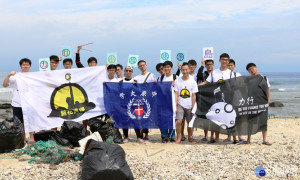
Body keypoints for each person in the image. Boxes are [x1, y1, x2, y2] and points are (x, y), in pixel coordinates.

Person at [199, 53, 237, 143]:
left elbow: (235, 86)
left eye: (226, 60)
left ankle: (234, 138)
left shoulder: (231, 73)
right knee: (216, 119)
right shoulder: (214, 72)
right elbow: (207, 83)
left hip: (228, 100)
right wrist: (196, 86)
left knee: (230, 118)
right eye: (223, 59)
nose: (225, 61)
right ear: (219, 60)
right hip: (216, 99)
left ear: (228, 61)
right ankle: (216, 138)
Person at [2, 58, 35, 144]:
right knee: (20, 123)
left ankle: (32, 138)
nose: (25, 66)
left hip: (29, 103)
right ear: (20, 66)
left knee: (31, 121)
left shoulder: (33, 76)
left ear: (30, 66)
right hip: (17, 103)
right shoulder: (16, 76)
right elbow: (5, 85)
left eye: (27, 64)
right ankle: (23, 139)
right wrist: (9, 75)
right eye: (24, 64)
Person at [245, 63, 271, 145]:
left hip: (262, 102)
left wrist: (268, 100)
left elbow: (268, 89)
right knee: (250, 121)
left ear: (256, 67)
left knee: (263, 120)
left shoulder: (264, 78)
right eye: (249, 69)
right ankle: (248, 139)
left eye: (252, 68)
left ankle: (264, 140)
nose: (251, 70)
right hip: (252, 102)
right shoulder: (248, 79)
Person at [119, 66, 144, 144]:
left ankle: (139, 137)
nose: (128, 72)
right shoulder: (121, 82)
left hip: (134, 104)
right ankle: (126, 137)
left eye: (130, 71)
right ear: (124, 71)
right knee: (125, 121)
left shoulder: (135, 81)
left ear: (132, 72)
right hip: (124, 104)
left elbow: (141, 92)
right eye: (126, 70)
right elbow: (117, 92)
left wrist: (136, 86)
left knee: (136, 121)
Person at [174, 63, 198, 144]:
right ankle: (178, 137)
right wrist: (175, 105)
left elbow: (194, 95)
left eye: (186, 69)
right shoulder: (177, 81)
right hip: (180, 103)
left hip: (189, 104)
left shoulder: (193, 81)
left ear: (189, 70)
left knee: (189, 122)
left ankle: (190, 137)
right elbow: (176, 93)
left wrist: (193, 106)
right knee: (179, 121)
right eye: (183, 70)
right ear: (181, 70)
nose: (185, 71)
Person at [133, 60, 156, 140]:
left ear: (146, 65)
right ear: (138, 67)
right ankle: (141, 134)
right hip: (139, 100)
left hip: (149, 99)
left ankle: (145, 134)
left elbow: (154, 86)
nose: (142, 67)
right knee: (140, 117)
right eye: (140, 65)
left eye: (143, 65)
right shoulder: (137, 77)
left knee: (146, 117)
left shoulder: (151, 75)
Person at [224, 59, 244, 143]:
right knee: (229, 118)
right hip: (227, 99)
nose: (230, 67)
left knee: (239, 118)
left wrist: (235, 88)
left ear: (234, 66)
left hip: (237, 98)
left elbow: (243, 85)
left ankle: (240, 136)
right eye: (228, 65)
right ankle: (230, 136)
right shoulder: (224, 75)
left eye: (231, 65)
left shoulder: (238, 74)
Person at [196, 59, 215, 142]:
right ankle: (205, 135)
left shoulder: (216, 74)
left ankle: (212, 136)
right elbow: (198, 75)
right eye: (207, 64)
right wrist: (202, 65)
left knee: (214, 118)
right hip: (204, 98)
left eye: (211, 64)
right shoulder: (203, 74)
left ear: (213, 65)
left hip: (214, 98)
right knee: (205, 117)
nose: (209, 66)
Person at [159, 61, 177, 143]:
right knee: (164, 119)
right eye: (165, 67)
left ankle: (172, 136)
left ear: (171, 68)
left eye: (168, 67)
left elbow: (177, 91)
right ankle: (165, 136)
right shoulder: (161, 78)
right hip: (163, 101)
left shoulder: (176, 77)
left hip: (172, 101)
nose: (167, 68)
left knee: (172, 118)